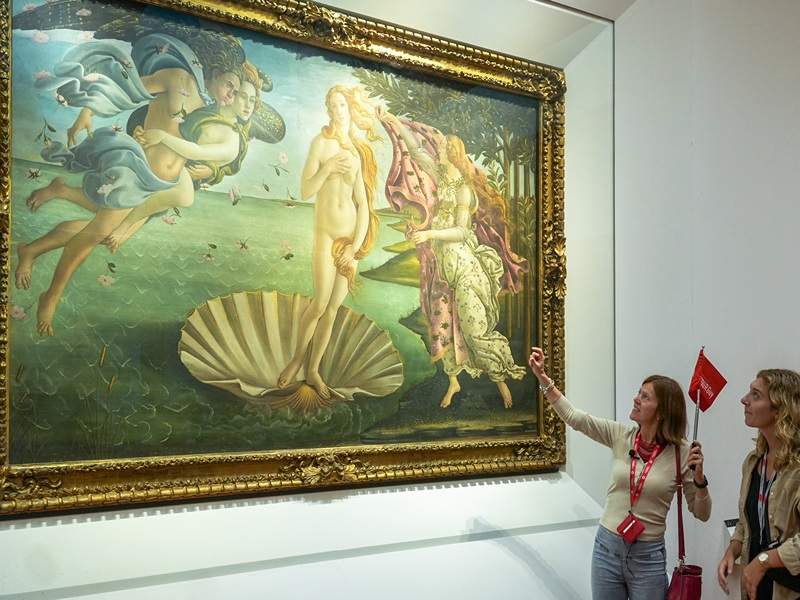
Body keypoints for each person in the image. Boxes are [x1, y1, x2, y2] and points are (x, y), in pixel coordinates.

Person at [528, 347, 711, 600]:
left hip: (648, 558)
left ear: (662, 412)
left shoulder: (683, 453)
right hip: (606, 549)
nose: (636, 398)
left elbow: (702, 514)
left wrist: (700, 481)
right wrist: (543, 378)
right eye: (639, 392)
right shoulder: (621, 436)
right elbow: (574, 418)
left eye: (645, 397)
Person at [378, 109, 527, 408]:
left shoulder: (463, 188)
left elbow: (460, 231)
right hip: (442, 266)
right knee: (441, 323)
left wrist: (429, 235)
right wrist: (393, 123)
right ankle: (454, 383)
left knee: (473, 329)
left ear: (453, 153)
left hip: (465, 265)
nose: (438, 149)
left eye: (444, 148)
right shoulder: (442, 175)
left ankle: (501, 382)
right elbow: (417, 151)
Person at [276, 85, 380, 400]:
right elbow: (306, 190)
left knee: (333, 308)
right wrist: (328, 168)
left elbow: (362, 205)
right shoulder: (320, 145)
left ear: (350, 109)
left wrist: (354, 247)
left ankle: (314, 370)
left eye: (342, 105)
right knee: (319, 303)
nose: (338, 111)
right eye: (332, 106)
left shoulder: (358, 153)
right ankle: (296, 359)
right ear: (328, 110)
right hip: (325, 236)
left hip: (349, 240)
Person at [717, 370, 800, 600]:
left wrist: (763, 562)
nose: (744, 399)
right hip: (757, 587)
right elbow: (746, 522)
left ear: (779, 409)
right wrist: (733, 550)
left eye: (755, 395)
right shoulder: (754, 462)